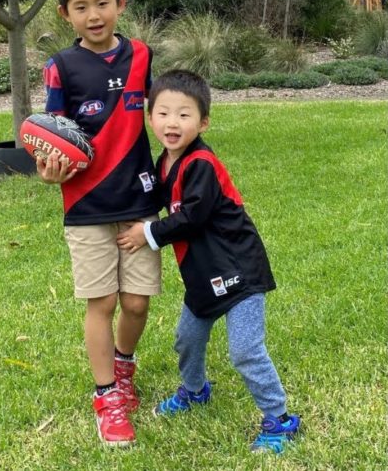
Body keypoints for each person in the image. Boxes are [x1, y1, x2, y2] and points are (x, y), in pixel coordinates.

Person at [117, 70, 301, 454]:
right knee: (187, 339)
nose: (172, 123)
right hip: (203, 277)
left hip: (240, 272)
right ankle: (195, 391)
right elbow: (152, 196)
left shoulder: (201, 163)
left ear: (203, 123)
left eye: (184, 115)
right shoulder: (166, 162)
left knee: (245, 350)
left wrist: (147, 233)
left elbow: (193, 217)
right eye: (163, 113)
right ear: (150, 118)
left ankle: (280, 419)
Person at [37, 0, 159, 447]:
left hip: (140, 200)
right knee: (103, 300)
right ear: (65, 13)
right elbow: (51, 135)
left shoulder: (143, 56)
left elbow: (161, 117)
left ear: (120, 4)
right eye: (81, 6)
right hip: (86, 205)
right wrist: (48, 167)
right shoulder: (60, 67)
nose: (94, 15)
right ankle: (106, 396)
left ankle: (124, 366)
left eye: (102, 3)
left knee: (137, 302)